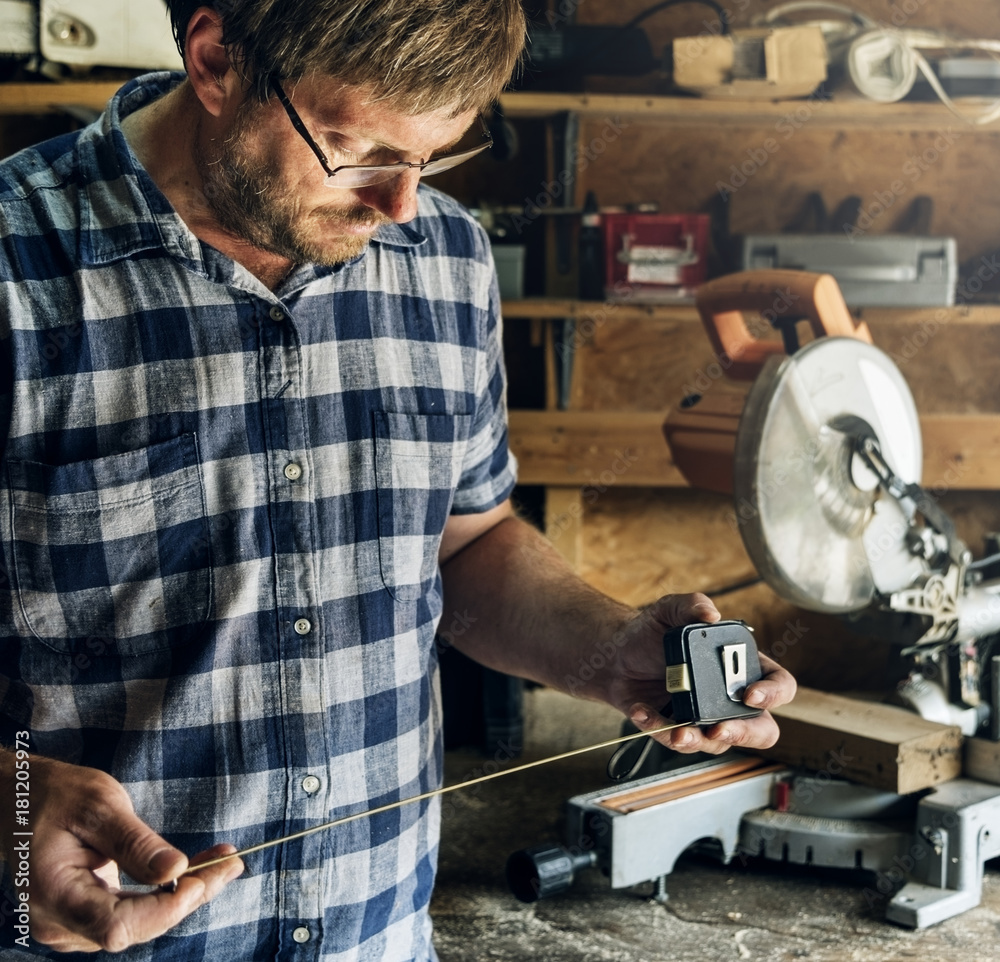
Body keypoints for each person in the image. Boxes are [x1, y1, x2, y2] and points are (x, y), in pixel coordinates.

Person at [0, 1, 797, 958]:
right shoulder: (17, 263)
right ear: (214, 62)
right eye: (361, 149)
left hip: (378, 936)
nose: (400, 206)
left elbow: (465, 543)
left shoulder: (445, 259)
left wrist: (609, 645)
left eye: (437, 155)